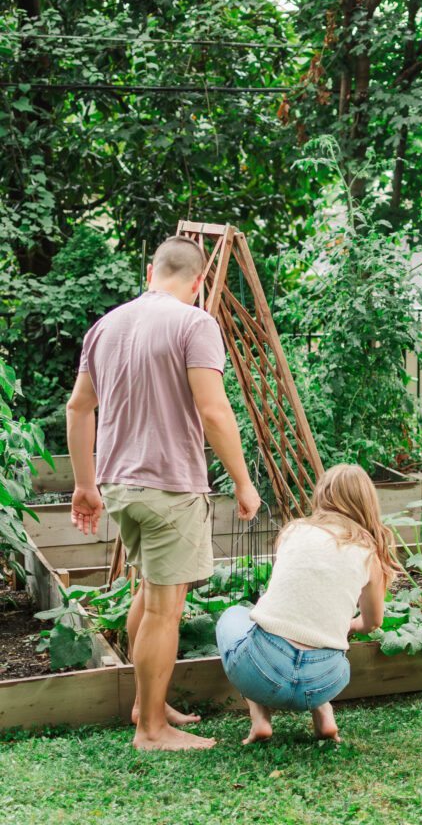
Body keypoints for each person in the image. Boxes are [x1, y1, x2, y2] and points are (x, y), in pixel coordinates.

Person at [67, 235, 261, 752]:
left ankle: (144, 704)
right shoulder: (195, 323)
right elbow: (215, 411)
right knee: (163, 610)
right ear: (198, 282)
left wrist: (85, 485)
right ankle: (151, 730)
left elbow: (78, 408)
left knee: (147, 595)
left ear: (149, 270)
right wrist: (243, 482)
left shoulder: (105, 326)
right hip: (169, 487)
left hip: (118, 487)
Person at [216, 463, 398, 744]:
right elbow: (373, 622)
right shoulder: (369, 553)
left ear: (322, 495)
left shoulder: (295, 531)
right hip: (324, 681)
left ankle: (260, 719)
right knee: (320, 639)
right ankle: (324, 713)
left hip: (262, 672)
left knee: (233, 614)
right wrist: (345, 625)